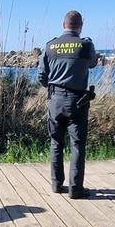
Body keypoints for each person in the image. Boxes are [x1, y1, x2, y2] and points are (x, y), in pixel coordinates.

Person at [38, 10, 99, 199]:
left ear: (63, 25)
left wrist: (55, 88)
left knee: (56, 142)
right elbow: (93, 63)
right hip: (78, 101)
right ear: (80, 26)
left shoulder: (49, 46)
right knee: (77, 145)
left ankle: (56, 185)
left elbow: (42, 76)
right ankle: (75, 188)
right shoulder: (86, 44)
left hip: (55, 100)